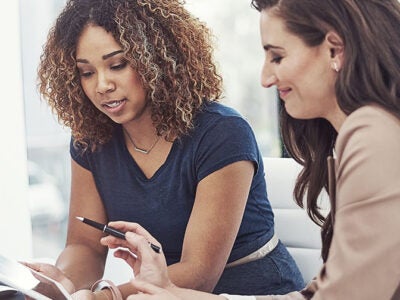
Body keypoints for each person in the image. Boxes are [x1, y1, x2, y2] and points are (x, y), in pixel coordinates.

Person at [96, 0, 400, 299]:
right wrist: (175, 293)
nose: (265, 79)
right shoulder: (369, 132)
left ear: (335, 50)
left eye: (277, 57)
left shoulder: (374, 135)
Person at [33, 0, 304, 298]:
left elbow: (199, 274)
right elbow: (84, 245)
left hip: (249, 292)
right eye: (86, 72)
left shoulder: (222, 133)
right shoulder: (91, 139)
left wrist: (104, 296)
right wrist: (62, 284)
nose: (102, 85)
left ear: (157, 60)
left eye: (118, 65)